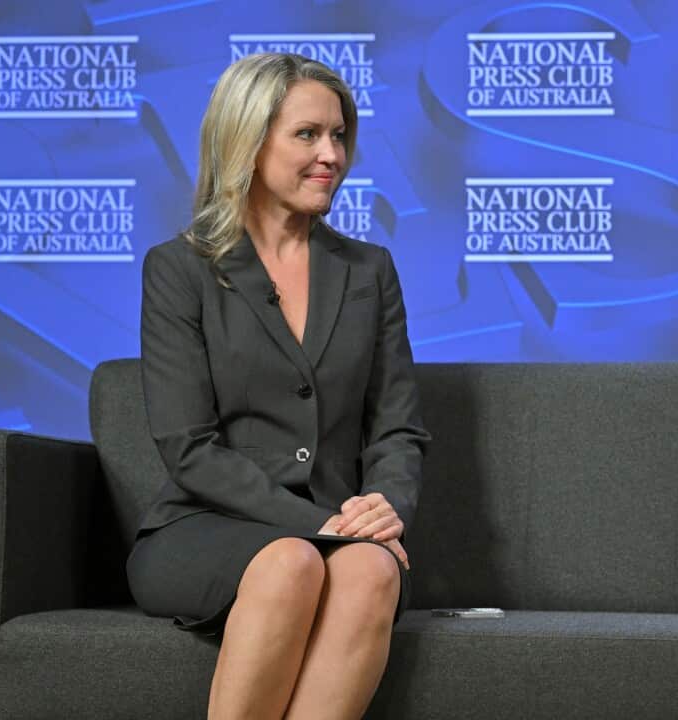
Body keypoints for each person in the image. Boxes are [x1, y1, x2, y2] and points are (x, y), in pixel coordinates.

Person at [126, 53, 431, 719]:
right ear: (247, 141)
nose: (332, 154)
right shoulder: (180, 270)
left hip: (340, 522)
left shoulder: (369, 270)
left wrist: (384, 507)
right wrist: (324, 524)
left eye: (340, 135)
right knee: (292, 561)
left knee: (373, 569)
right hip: (206, 526)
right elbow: (188, 448)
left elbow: (396, 427)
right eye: (307, 134)